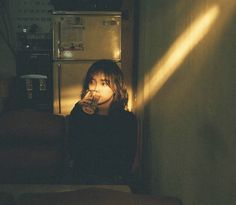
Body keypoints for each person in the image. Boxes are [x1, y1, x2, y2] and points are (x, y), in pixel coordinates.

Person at [68, 59, 137, 184]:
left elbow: (125, 160)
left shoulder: (126, 120)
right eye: (92, 82)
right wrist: (78, 111)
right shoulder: (80, 115)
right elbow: (72, 151)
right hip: (81, 179)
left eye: (103, 83)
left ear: (116, 87)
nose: (95, 89)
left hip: (113, 182)